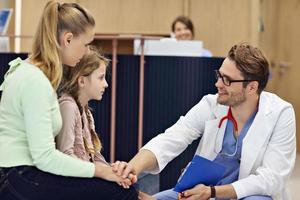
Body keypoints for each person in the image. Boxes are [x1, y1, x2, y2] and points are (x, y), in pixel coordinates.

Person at [113, 43, 296, 200]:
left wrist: (213, 192)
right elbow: (173, 138)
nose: (218, 84)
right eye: (219, 75)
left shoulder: (280, 113)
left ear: (252, 87)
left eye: (227, 80)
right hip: (201, 192)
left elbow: (270, 179)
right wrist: (133, 169)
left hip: (243, 194)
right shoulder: (211, 104)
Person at [0, 1, 138, 200]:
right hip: (19, 178)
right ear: (68, 39)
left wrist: (105, 170)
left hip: (19, 176)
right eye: (84, 45)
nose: (84, 53)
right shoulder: (34, 80)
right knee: (119, 193)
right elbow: (45, 158)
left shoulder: (33, 75)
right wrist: (101, 172)